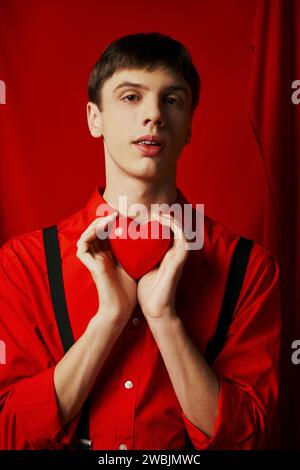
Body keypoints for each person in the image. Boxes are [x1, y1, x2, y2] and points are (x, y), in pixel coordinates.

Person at [0, 32, 281, 450]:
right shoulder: (24, 263)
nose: (153, 115)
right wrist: (109, 319)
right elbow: (10, 432)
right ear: (94, 118)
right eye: (131, 97)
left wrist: (165, 319)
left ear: (189, 125)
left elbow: (248, 438)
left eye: (172, 99)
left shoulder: (249, 267)